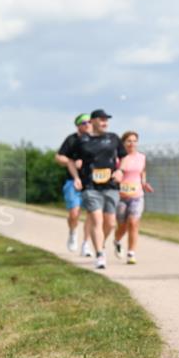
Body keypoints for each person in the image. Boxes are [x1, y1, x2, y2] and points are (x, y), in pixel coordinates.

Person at [64, 109, 126, 270]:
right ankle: (99, 255)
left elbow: (123, 156)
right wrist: (76, 177)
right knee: (96, 219)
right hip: (90, 186)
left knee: (111, 223)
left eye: (107, 120)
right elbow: (70, 160)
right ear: (92, 121)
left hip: (111, 185)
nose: (105, 122)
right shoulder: (82, 140)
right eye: (101, 119)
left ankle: (101, 244)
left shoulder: (113, 138)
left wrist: (120, 171)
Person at [113, 131, 154, 265]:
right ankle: (117, 241)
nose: (132, 143)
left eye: (134, 141)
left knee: (133, 222)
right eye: (129, 141)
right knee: (122, 226)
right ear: (123, 143)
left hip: (137, 195)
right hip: (121, 196)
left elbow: (142, 172)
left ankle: (131, 253)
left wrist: (144, 183)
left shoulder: (141, 157)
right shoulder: (117, 158)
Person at [56, 113, 93, 254]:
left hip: (91, 182)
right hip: (73, 181)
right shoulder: (71, 140)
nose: (88, 124)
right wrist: (70, 161)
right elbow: (59, 156)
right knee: (74, 213)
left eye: (90, 121)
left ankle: (86, 243)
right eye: (84, 122)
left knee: (92, 214)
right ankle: (73, 233)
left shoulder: (95, 139)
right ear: (78, 125)